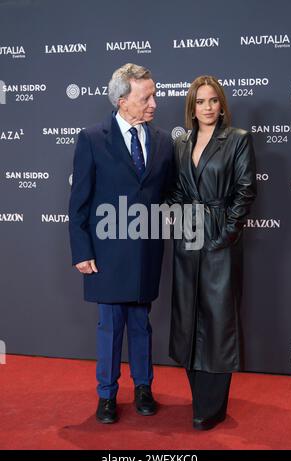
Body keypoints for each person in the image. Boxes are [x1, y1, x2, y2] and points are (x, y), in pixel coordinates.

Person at [68, 63, 173, 424]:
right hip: (107, 254)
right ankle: (107, 396)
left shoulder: (161, 140)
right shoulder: (92, 138)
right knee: (110, 328)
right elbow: (78, 202)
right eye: (147, 97)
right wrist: (82, 251)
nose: (154, 103)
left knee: (142, 325)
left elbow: (168, 193)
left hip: (146, 251)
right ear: (122, 100)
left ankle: (143, 388)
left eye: (154, 95)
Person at [167, 75, 257, 430]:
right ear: (191, 107)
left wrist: (227, 234)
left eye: (213, 101)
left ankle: (213, 405)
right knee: (189, 317)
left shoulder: (237, 140)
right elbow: (177, 190)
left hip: (220, 236)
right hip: (187, 235)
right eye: (200, 101)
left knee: (218, 321)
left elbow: (245, 191)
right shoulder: (180, 143)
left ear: (222, 105)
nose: (207, 107)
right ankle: (198, 400)